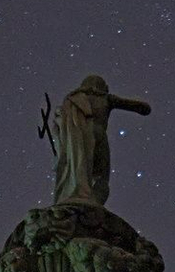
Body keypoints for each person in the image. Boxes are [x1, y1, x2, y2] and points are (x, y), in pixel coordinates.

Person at [46, 76, 151, 207]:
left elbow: (61, 125)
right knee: (101, 177)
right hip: (98, 136)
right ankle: (93, 203)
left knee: (79, 170)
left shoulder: (72, 99)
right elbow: (141, 107)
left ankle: (80, 198)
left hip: (78, 139)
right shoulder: (106, 98)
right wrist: (143, 108)